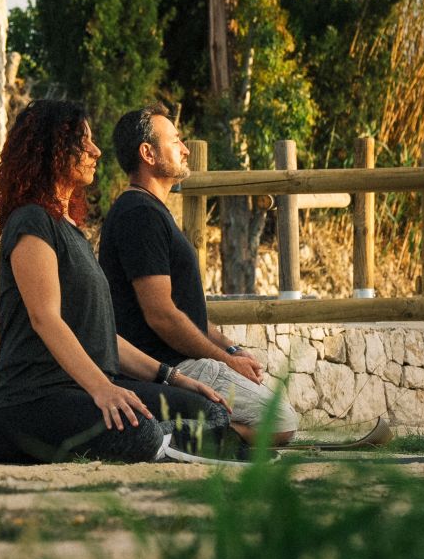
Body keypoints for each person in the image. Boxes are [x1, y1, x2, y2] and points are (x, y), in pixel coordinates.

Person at [0, 99, 231, 464]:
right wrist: (102, 388)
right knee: (143, 433)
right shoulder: (30, 223)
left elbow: (101, 334)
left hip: (85, 390)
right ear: (51, 150)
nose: (95, 151)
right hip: (37, 396)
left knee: (209, 413)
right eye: (82, 142)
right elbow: (45, 318)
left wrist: (171, 377)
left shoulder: (72, 231)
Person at [98, 106, 299, 445]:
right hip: (170, 366)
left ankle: (188, 433)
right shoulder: (139, 215)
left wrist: (232, 350)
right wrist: (223, 360)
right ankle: (173, 438)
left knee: (279, 417)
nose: (185, 149)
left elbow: (185, 315)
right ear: (147, 153)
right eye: (175, 141)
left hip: (188, 358)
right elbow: (161, 315)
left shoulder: (151, 211)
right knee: (280, 423)